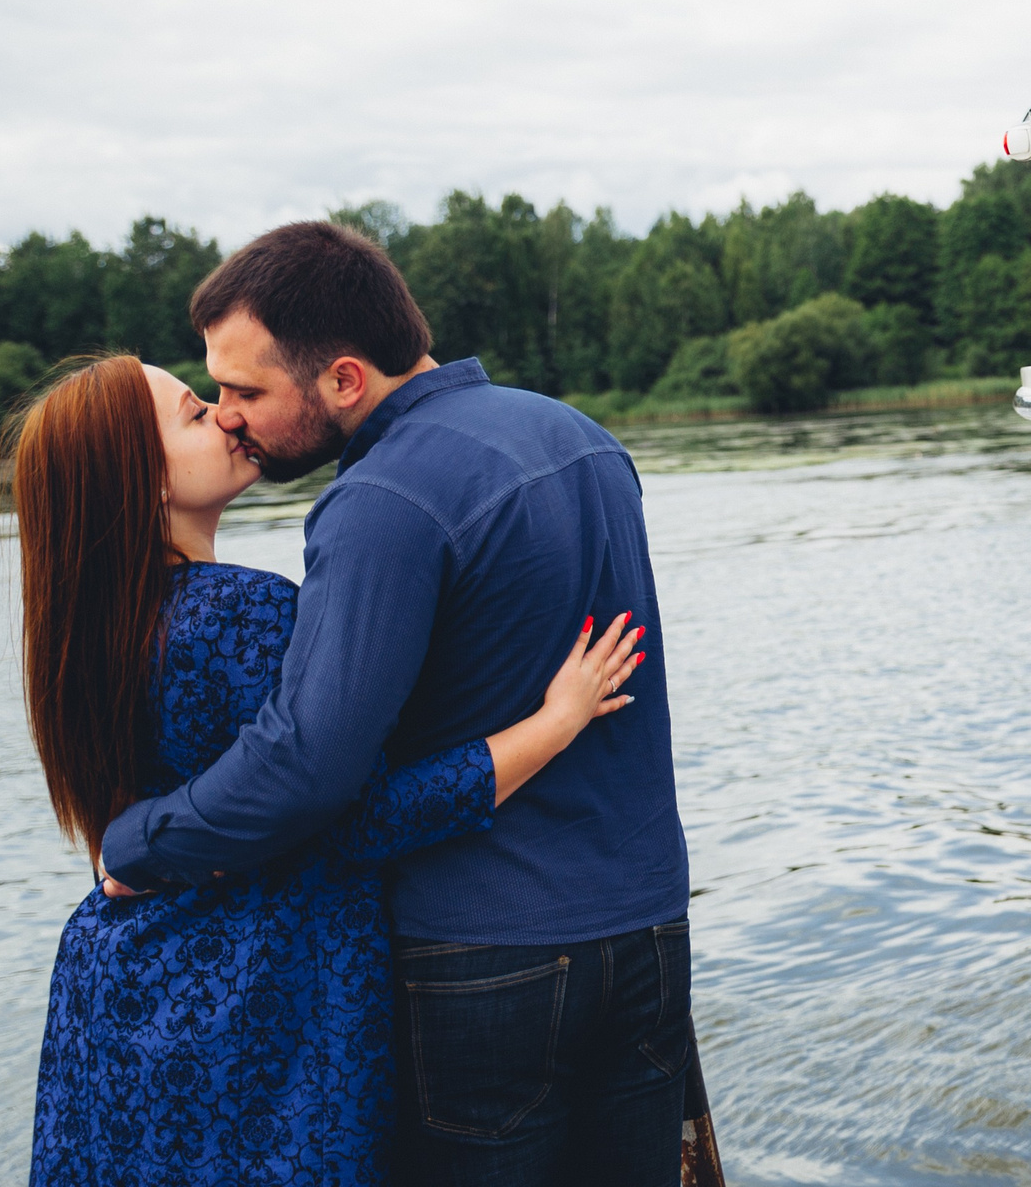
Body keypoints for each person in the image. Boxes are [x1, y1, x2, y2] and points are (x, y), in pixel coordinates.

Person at [97, 221, 695, 1183]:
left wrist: (141, 843)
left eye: (247, 390)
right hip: (652, 931)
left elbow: (306, 763)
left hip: (485, 957)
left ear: (342, 378)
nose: (231, 414)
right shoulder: (581, 436)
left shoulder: (381, 496)